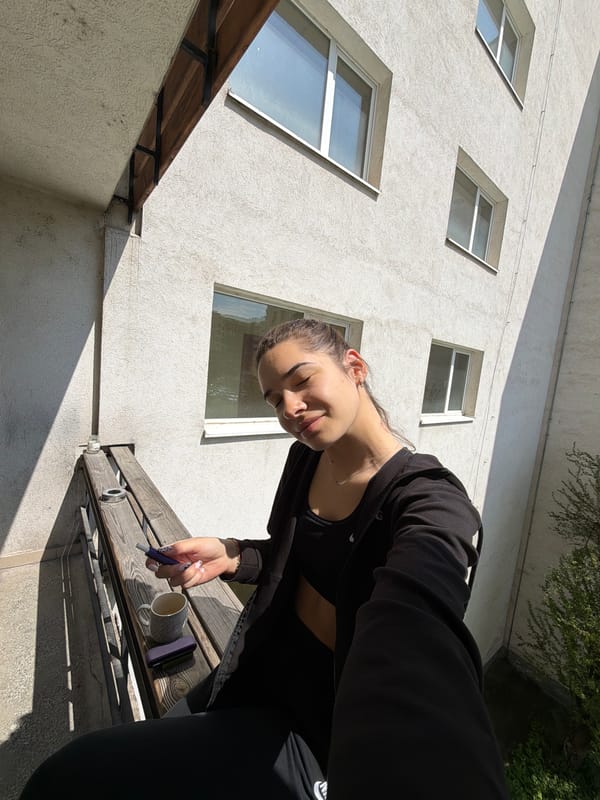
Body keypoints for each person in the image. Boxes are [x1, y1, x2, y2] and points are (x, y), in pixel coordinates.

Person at [21, 319, 509, 799]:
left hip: (321, 727)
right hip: (257, 666)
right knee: (88, 766)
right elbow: (299, 558)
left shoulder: (429, 502)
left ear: (354, 366)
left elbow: (414, 631)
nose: (291, 408)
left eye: (302, 381)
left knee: (68, 780)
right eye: (276, 399)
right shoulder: (306, 459)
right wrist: (233, 555)